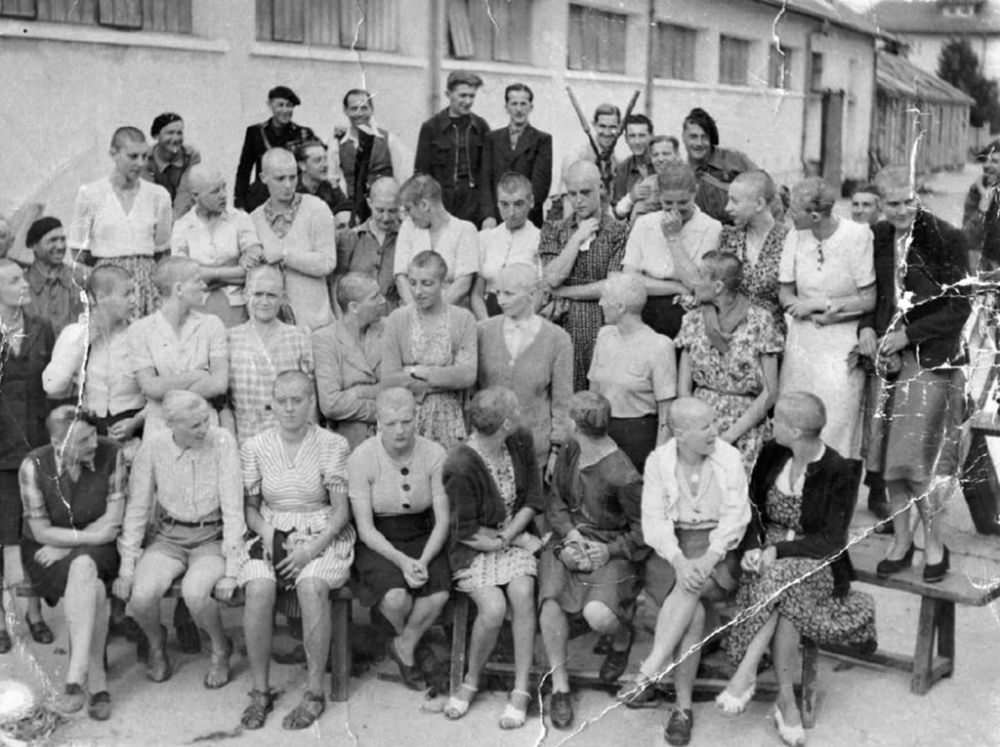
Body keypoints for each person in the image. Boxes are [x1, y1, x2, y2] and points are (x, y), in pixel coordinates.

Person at [718, 392, 876, 747]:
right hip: (767, 559)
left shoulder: (840, 471)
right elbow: (753, 509)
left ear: (797, 429)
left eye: (778, 420)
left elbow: (832, 540)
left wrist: (779, 550)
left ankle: (747, 673)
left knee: (784, 583)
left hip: (815, 562)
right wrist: (754, 548)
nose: (771, 424)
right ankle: (786, 703)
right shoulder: (773, 454)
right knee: (788, 605)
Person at [617, 398, 750, 747]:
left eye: (713, 423)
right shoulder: (659, 461)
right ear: (679, 433)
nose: (715, 431)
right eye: (704, 426)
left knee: (688, 593)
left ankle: (650, 669)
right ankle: (682, 708)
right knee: (692, 611)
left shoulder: (729, 458)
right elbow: (654, 521)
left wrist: (708, 559)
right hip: (671, 551)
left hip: (720, 552)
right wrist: (679, 560)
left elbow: (737, 516)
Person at [237, 371, 355, 730]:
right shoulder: (254, 446)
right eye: (282, 401)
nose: (289, 408)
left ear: (310, 402)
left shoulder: (332, 444)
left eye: (297, 400)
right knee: (258, 587)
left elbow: (341, 511)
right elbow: (251, 509)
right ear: (272, 403)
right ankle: (260, 691)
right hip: (271, 527)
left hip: (322, 530)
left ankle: (314, 693)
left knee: (311, 585)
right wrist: (270, 534)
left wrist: (312, 549)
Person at [869, 166, 971, 582]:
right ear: (880, 203)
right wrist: (875, 337)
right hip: (889, 362)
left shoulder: (947, 237)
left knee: (920, 464)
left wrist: (906, 337)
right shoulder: (878, 236)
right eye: (892, 203)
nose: (902, 210)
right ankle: (900, 540)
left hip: (932, 360)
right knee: (887, 461)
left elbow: (959, 307)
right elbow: (878, 295)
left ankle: (934, 545)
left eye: (909, 200)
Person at [113, 391, 245, 686]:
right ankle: (156, 644)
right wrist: (127, 567)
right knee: (142, 596)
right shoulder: (154, 447)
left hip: (211, 536)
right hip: (168, 537)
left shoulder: (222, 440)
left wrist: (233, 570)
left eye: (205, 421)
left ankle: (220, 647)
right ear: (172, 424)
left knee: (196, 593)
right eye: (195, 426)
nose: (204, 430)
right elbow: (137, 509)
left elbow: (234, 508)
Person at [538, 391, 644, 729]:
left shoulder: (622, 472)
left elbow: (644, 531)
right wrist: (569, 535)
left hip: (610, 546)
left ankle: (621, 635)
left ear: (577, 425)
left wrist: (608, 551)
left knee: (597, 615)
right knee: (551, 601)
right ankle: (560, 686)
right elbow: (555, 501)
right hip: (569, 539)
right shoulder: (570, 450)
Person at [441, 387, 543, 728]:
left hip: (511, 535)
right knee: (494, 609)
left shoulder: (520, 441)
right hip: (475, 546)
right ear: (505, 424)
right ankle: (471, 680)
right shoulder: (460, 464)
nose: (521, 419)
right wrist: (504, 541)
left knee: (521, 593)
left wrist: (511, 536)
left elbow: (532, 498)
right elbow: (465, 530)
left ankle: (520, 688)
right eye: (516, 414)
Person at [19, 408, 125, 720]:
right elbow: (40, 532)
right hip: (44, 553)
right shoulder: (33, 465)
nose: (94, 443)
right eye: (82, 440)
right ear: (57, 442)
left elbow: (113, 519)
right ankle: (97, 682)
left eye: (93, 434)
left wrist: (66, 546)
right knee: (91, 586)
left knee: (84, 569)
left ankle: (74, 678)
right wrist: (79, 541)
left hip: (93, 549)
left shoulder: (112, 453)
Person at [348, 388, 451, 691]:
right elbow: (365, 529)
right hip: (379, 540)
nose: (400, 430)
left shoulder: (434, 453)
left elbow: (443, 518)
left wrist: (423, 560)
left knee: (438, 594)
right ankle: (418, 647)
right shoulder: (362, 457)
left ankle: (404, 645)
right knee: (396, 598)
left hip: (424, 535)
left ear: (416, 418)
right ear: (377, 422)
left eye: (406, 421)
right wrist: (403, 561)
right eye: (391, 423)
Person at [778, 178, 875, 458]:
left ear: (815, 215)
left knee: (837, 418)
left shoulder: (857, 236)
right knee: (797, 414)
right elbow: (785, 291)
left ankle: (835, 492)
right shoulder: (795, 236)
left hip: (841, 340)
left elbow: (868, 299)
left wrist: (821, 305)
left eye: (794, 211)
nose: (788, 216)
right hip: (803, 341)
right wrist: (797, 306)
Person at [677, 252, 782, 473]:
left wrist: (728, 437)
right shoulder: (692, 320)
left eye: (700, 276)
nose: (693, 282)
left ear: (717, 287)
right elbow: (684, 388)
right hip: (699, 423)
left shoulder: (760, 321)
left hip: (745, 426)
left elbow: (770, 392)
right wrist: (695, 430)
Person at [0, 259, 54, 652]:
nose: (24, 285)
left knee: (34, 531)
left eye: (22, 279)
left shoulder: (41, 328)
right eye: (14, 280)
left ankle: (35, 614)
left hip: (35, 447)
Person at [539, 160, 629, 392]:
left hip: (601, 321)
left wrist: (565, 292)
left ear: (600, 188)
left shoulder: (618, 231)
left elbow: (612, 285)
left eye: (585, 192)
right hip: (561, 323)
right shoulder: (554, 230)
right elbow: (551, 278)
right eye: (572, 194)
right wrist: (576, 239)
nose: (578, 200)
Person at [68, 126, 173, 317]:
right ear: (113, 153)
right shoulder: (90, 195)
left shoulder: (158, 195)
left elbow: (162, 252)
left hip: (146, 285)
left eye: (145, 157)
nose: (140, 163)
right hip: (106, 284)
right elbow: (77, 253)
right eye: (133, 156)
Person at [477, 263, 573, 468]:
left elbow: (562, 402)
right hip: (486, 449)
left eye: (509, 294)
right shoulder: (482, 331)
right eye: (498, 293)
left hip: (533, 452)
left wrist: (556, 450)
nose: (500, 300)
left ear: (531, 293)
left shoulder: (558, 339)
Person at [381, 251, 477, 449]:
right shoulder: (397, 319)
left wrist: (417, 371)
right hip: (406, 416)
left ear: (443, 284)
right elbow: (389, 377)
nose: (418, 291)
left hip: (449, 420)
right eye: (413, 282)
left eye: (427, 283)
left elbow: (467, 375)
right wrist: (444, 379)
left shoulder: (463, 319)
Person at [128, 256, 228, 437]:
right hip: (161, 428)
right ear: (179, 289)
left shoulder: (212, 325)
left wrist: (166, 390)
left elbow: (219, 384)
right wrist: (198, 375)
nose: (204, 286)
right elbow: (150, 387)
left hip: (204, 425)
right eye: (197, 281)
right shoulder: (140, 330)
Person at [43, 265, 145, 442]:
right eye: (126, 294)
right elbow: (52, 386)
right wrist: (87, 336)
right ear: (99, 298)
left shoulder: (142, 333)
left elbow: (159, 392)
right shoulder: (75, 333)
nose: (134, 300)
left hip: (136, 426)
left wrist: (136, 422)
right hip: (92, 430)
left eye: (133, 293)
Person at [622, 163, 723, 338]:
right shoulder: (644, 223)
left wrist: (673, 238)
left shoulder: (711, 227)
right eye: (668, 203)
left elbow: (696, 283)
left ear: (695, 192)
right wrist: (675, 287)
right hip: (645, 304)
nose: (675, 209)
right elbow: (629, 278)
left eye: (683, 202)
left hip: (687, 311)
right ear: (659, 195)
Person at [588, 273, 676, 472]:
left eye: (605, 299)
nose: (600, 303)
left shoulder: (659, 345)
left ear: (620, 307)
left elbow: (666, 414)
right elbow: (592, 395)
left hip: (638, 439)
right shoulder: (604, 336)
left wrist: (658, 463)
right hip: (602, 436)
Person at [251, 148, 337, 331]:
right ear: (263, 177)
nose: (288, 185)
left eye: (293, 177)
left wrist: (284, 255)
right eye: (280, 179)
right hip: (273, 328)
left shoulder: (317, 209)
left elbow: (327, 262)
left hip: (315, 324)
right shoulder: (254, 219)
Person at [226, 265, 314, 444]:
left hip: (290, 438)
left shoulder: (299, 337)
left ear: (282, 298)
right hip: (246, 437)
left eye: (271, 295)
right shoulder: (229, 338)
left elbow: (310, 397)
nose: (264, 302)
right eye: (258, 294)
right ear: (245, 295)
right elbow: (225, 404)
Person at [171, 165, 262, 328]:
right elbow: (182, 276)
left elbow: (252, 269)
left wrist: (206, 272)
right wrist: (232, 270)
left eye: (224, 187)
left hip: (237, 308)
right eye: (215, 191)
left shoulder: (240, 219)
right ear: (195, 196)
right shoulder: (182, 226)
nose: (223, 195)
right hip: (197, 310)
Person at [314, 273, 386, 450]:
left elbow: (399, 386)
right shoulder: (325, 339)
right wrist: (380, 411)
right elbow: (331, 404)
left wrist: (357, 392)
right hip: (346, 442)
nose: (383, 301)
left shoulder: (388, 329)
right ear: (354, 307)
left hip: (390, 439)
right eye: (374, 297)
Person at [414, 70, 492, 228]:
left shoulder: (481, 127)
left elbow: (487, 175)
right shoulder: (431, 128)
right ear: (448, 94)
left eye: (472, 96)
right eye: (463, 95)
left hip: (473, 206)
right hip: (442, 205)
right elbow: (422, 175)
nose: (468, 101)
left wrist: (488, 214)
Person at [393, 175, 478, 308]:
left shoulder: (465, 229)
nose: (408, 215)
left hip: (451, 313)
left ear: (424, 205)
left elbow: (463, 284)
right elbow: (400, 276)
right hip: (412, 312)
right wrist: (415, 312)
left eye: (409, 209)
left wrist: (435, 312)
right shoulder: (408, 226)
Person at [719, 170, 788, 327]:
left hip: (772, 332)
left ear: (759, 204)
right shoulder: (728, 237)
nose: (727, 208)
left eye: (734, 201)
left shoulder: (789, 240)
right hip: (731, 327)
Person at [235, 86, 317, 213]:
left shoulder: (304, 134)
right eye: (280, 105)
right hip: (261, 197)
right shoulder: (256, 132)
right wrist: (239, 203)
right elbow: (244, 169)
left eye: (289, 105)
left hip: (292, 197)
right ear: (270, 105)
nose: (285, 110)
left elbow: (318, 159)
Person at [335, 88, 411, 223]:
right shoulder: (338, 144)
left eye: (364, 108)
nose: (359, 114)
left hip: (385, 211)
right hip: (354, 211)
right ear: (345, 110)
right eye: (354, 109)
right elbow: (336, 180)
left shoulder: (389, 139)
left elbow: (403, 178)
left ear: (372, 110)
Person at [472, 172, 541, 320]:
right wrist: (488, 324)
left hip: (524, 318)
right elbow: (476, 294)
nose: (511, 212)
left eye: (518, 204)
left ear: (531, 201)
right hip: (487, 315)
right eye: (504, 204)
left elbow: (541, 292)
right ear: (497, 203)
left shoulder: (540, 239)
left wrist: (522, 323)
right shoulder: (485, 238)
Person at [483, 83, 552, 228]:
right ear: (506, 107)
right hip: (497, 218)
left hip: (528, 218)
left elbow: (540, 186)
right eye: (514, 104)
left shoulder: (542, 140)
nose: (519, 109)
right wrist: (489, 215)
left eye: (523, 104)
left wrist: (519, 214)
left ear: (530, 107)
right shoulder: (492, 139)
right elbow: (485, 180)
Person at [333, 176, 402, 312]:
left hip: (392, 319)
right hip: (357, 318)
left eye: (392, 211)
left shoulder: (406, 238)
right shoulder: (351, 237)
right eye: (380, 210)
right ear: (369, 203)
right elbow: (337, 282)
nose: (386, 218)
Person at [681, 107, 757, 224]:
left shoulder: (735, 159)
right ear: (684, 138)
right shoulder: (682, 174)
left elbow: (765, 189)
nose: (699, 143)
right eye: (693, 137)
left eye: (704, 137)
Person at [23, 216, 85, 336]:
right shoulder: (21, 282)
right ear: (34, 245)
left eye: (63, 240)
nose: (61, 246)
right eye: (53, 240)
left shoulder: (78, 279)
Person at [143, 112, 201, 220]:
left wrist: (174, 222)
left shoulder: (191, 156)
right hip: (155, 215)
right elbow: (149, 195)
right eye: (170, 133)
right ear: (156, 135)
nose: (176, 138)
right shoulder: (146, 159)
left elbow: (185, 192)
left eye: (179, 133)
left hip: (183, 215)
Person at [558, 103, 623, 199]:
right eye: (602, 126)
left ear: (619, 128)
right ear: (594, 125)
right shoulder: (576, 157)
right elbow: (567, 197)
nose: (607, 132)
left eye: (612, 127)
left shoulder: (617, 164)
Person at [613, 134, 681, 220]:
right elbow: (618, 212)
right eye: (655, 155)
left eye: (666, 154)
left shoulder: (689, 183)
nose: (660, 159)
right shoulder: (648, 183)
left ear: (677, 155)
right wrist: (630, 198)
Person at [962, 138, 1000, 273]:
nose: (987, 165)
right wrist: (983, 206)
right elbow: (968, 237)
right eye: (986, 160)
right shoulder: (978, 189)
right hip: (988, 267)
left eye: (994, 161)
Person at [295, 140, 352, 229]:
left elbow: (346, 207)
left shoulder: (329, 185)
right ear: (302, 165)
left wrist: (335, 188)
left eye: (325, 159)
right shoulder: (291, 188)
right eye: (318, 160)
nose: (325, 165)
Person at [612, 113, 654, 204]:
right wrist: (631, 197)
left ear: (651, 136)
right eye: (632, 136)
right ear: (626, 139)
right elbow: (617, 211)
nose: (637, 141)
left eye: (642, 135)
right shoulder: (622, 169)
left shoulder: (661, 162)